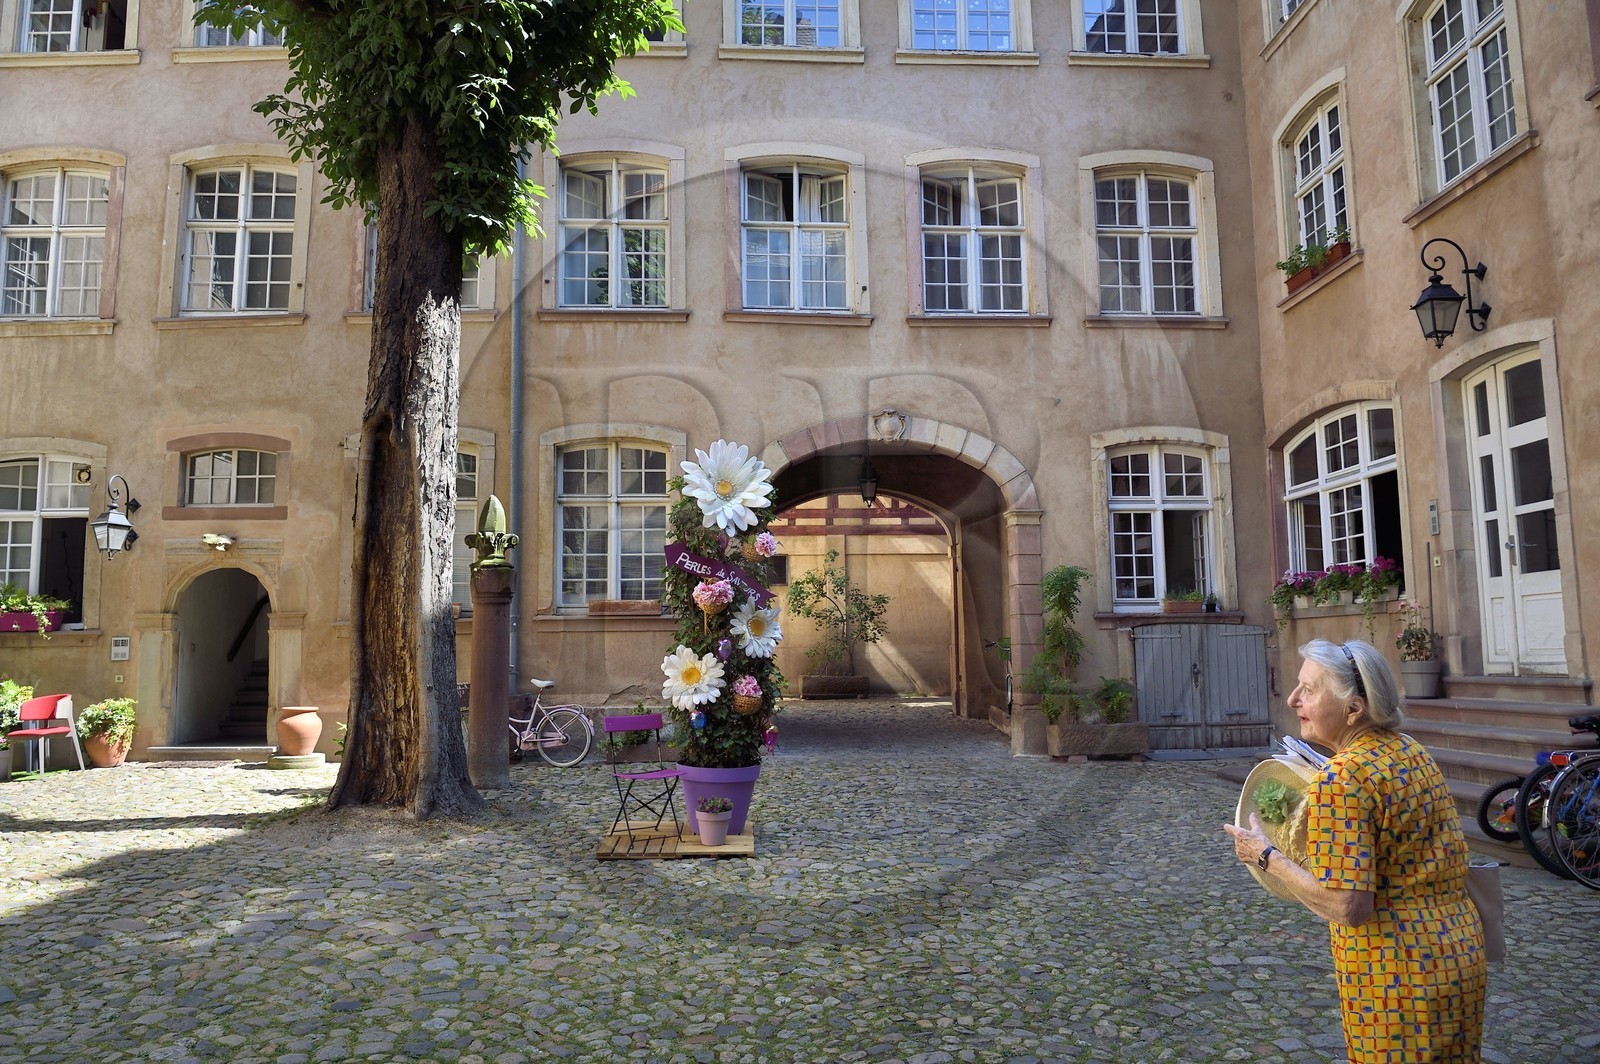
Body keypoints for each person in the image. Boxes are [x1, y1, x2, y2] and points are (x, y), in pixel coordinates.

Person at [1224, 639, 1486, 1063]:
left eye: (1309, 690)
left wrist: (1266, 856)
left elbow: (1349, 906)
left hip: (1394, 970)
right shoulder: (1410, 751)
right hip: (1456, 950)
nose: (1293, 699)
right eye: (1297, 687)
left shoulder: (1342, 780)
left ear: (1354, 708)